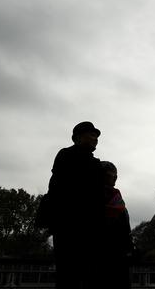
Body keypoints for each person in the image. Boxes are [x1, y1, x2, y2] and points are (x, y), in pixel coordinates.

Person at [47, 121, 106, 289]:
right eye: (92, 134)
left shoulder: (96, 164)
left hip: (89, 227)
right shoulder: (66, 155)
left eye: (96, 136)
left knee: (86, 275)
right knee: (68, 274)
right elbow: (57, 188)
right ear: (78, 138)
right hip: (69, 225)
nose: (95, 139)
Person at [95, 161, 133, 289]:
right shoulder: (113, 199)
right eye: (111, 175)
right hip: (105, 253)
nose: (115, 178)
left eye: (116, 176)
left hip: (118, 252)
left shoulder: (116, 197)